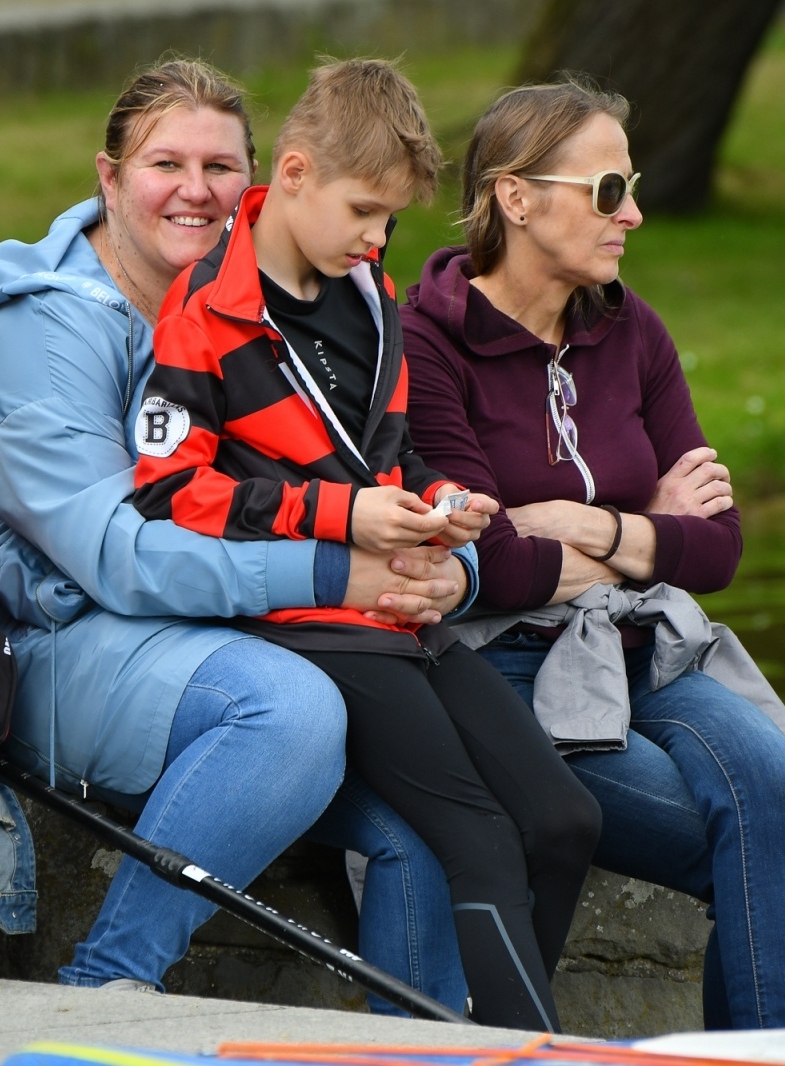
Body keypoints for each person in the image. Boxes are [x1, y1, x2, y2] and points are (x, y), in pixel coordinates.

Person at [0, 58, 474, 1013]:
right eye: (165, 163)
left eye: (220, 166)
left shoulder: (273, 302)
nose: (196, 191)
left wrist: (446, 561)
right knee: (292, 713)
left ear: (267, 175)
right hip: (54, 641)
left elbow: (370, 475)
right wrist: (336, 570)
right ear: (109, 180)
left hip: (225, 623)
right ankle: (109, 983)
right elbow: (113, 556)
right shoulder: (45, 334)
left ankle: (418, 1039)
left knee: (433, 809)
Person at [131, 59, 600, 1032]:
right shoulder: (203, 311)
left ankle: (495, 1032)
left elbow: (394, 452)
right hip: (310, 631)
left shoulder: (371, 288)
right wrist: (340, 517)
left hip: (403, 614)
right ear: (293, 173)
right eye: (364, 212)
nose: (379, 239)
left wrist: (441, 497)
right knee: (476, 835)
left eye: (390, 220)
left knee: (564, 820)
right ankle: (533, 1047)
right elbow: (171, 489)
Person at [399, 78, 785, 1029]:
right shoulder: (425, 341)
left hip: (646, 649)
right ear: (516, 198)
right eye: (606, 192)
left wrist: (589, 526)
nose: (632, 213)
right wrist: (649, 534)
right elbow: (497, 564)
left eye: (629, 186)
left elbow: (717, 547)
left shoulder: (631, 328)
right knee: (757, 838)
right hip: (505, 671)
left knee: (779, 785)